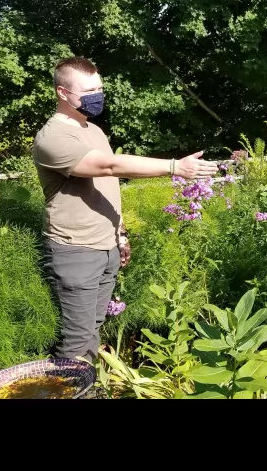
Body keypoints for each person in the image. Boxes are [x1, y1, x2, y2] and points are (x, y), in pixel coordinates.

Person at [32, 56, 218, 362]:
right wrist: (175, 166)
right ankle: (68, 391)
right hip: (76, 249)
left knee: (94, 326)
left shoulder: (93, 130)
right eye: (88, 91)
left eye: (99, 88)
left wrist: (119, 234)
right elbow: (108, 166)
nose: (97, 96)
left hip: (107, 247)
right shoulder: (53, 138)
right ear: (63, 93)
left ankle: (86, 387)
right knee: (76, 339)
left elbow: (107, 187)